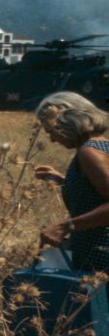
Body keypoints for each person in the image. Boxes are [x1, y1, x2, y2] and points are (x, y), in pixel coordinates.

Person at [34, 91, 109, 271]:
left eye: (51, 131)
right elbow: (95, 191)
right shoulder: (102, 145)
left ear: (67, 122)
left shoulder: (88, 152)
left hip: (101, 256)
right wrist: (64, 180)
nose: (52, 139)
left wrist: (64, 226)